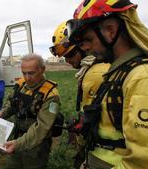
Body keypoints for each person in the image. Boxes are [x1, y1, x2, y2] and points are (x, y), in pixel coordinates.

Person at [66, 0, 148, 168]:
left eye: (88, 39)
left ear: (111, 31)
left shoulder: (146, 79)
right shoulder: (120, 72)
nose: (86, 47)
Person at [50, 21, 110, 168]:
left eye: (70, 54)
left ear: (83, 47)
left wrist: (81, 135)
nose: (68, 61)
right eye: (64, 57)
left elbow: (93, 119)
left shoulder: (94, 74)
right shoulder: (95, 69)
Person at [0, 54, 60, 169]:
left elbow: (42, 127)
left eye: (31, 73)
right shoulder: (21, 85)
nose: (27, 77)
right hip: (17, 137)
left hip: (36, 145)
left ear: (42, 69)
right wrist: (2, 113)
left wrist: (18, 144)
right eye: (24, 73)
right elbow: (12, 103)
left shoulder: (51, 95)